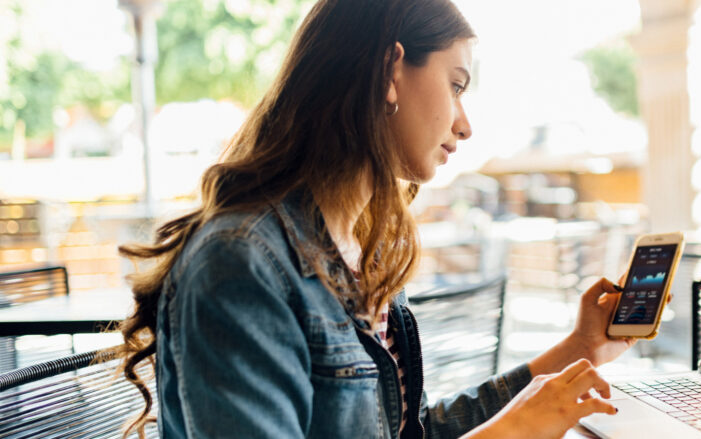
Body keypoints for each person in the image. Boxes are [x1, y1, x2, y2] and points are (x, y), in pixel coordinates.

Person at [115, 0, 640, 437]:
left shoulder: (367, 247)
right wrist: (515, 429)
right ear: (391, 69)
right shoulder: (240, 264)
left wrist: (579, 350)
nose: (465, 124)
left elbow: (412, 432)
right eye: (456, 85)